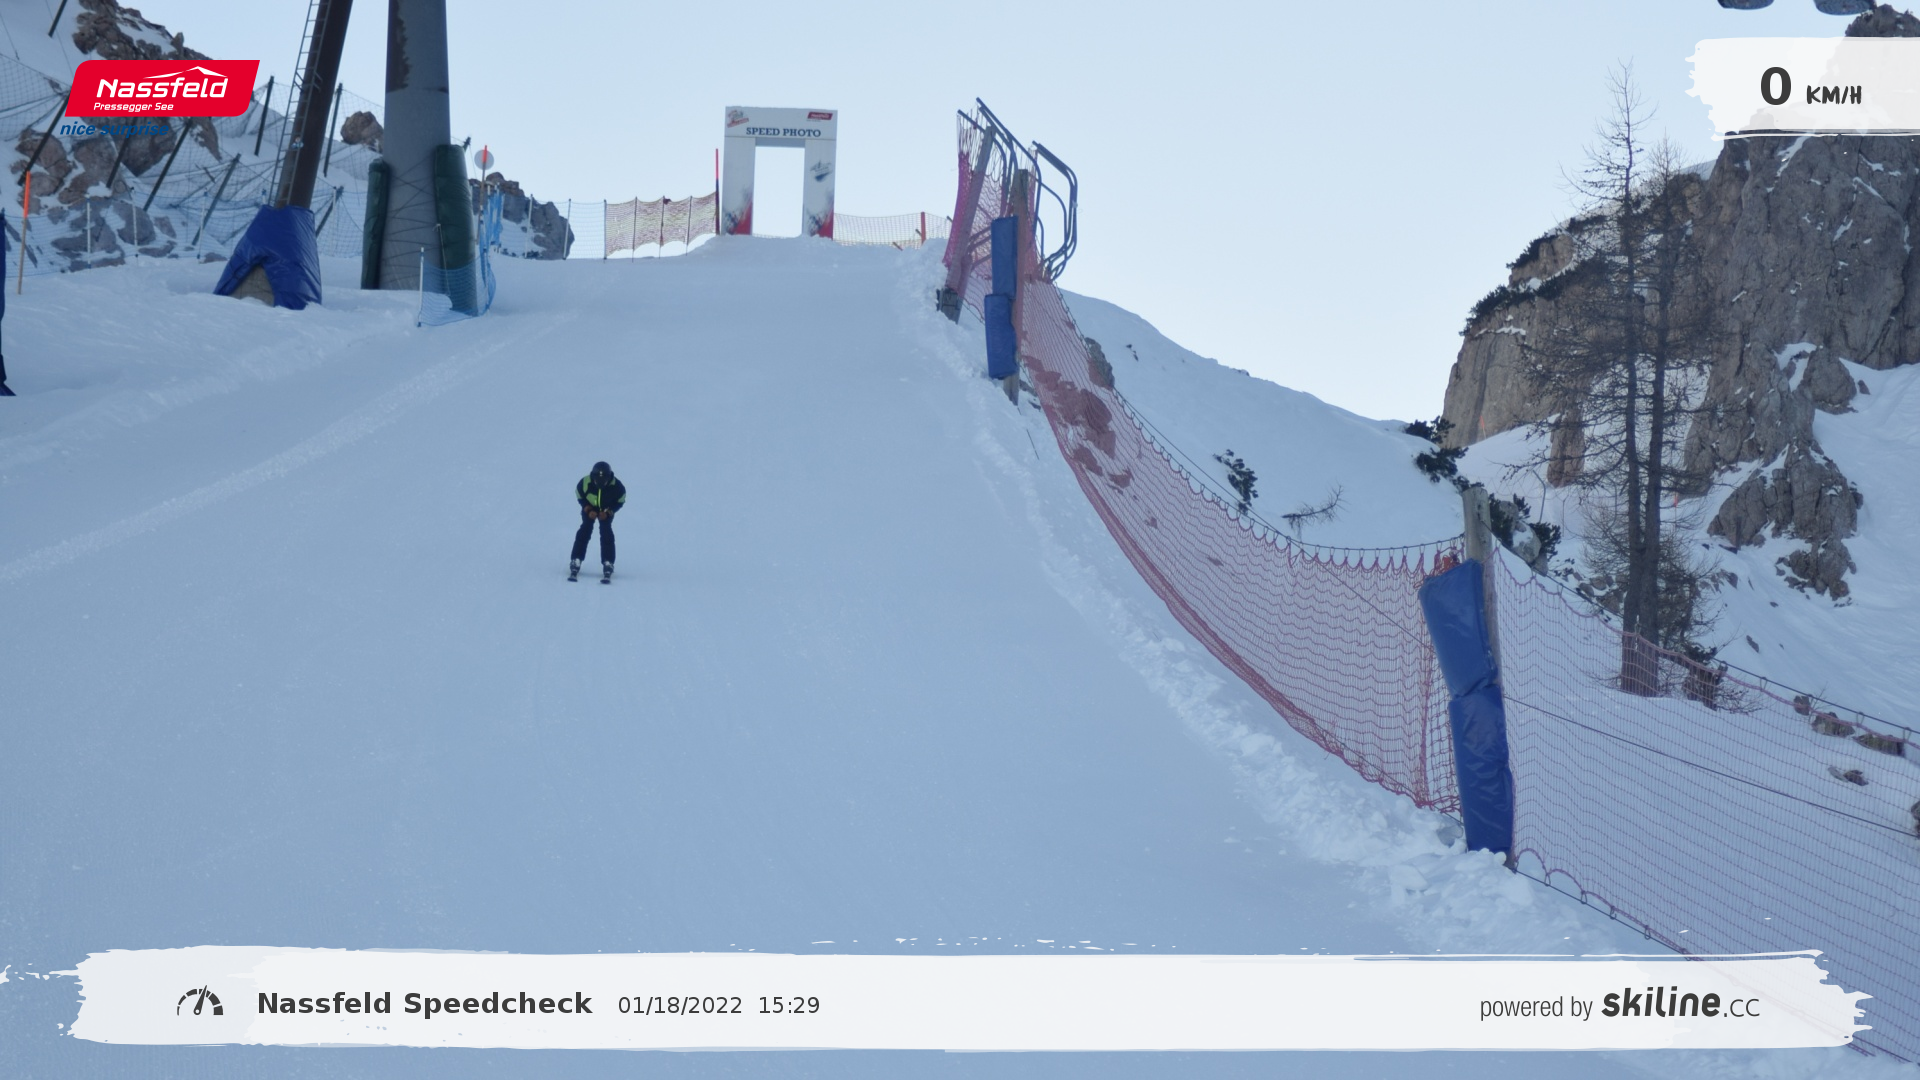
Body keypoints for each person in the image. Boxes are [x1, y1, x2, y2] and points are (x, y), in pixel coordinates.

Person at [569, 461, 626, 582]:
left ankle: (608, 562)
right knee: (585, 529)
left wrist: (609, 512)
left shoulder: (617, 486)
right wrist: (587, 508)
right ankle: (576, 559)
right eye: (597, 480)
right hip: (590, 507)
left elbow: (621, 500)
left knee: (606, 531)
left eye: (604, 481)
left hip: (606, 510)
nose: (600, 483)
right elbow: (579, 494)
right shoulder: (585, 482)